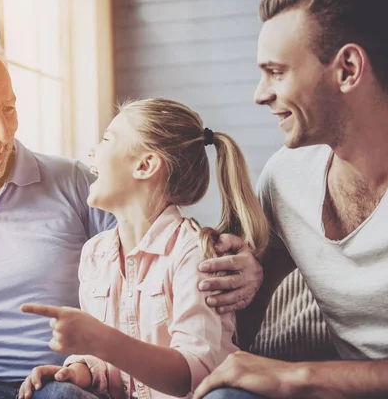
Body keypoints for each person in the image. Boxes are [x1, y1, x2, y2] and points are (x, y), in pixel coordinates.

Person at [0, 30, 259, 399]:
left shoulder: (76, 185)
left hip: (59, 383)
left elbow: (156, 246)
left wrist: (245, 263)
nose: (2, 132)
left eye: (8, 108)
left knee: (60, 392)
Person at [193, 0, 388, 398]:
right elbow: (248, 298)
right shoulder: (286, 177)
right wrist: (251, 273)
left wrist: (297, 375)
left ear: (348, 69)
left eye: (276, 72)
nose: (260, 95)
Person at [18, 98, 269, 399]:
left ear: (145, 165)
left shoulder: (193, 253)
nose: (92, 151)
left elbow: (191, 376)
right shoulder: (95, 255)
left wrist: (100, 338)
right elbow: (110, 367)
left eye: (107, 139)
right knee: (55, 392)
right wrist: (78, 372)